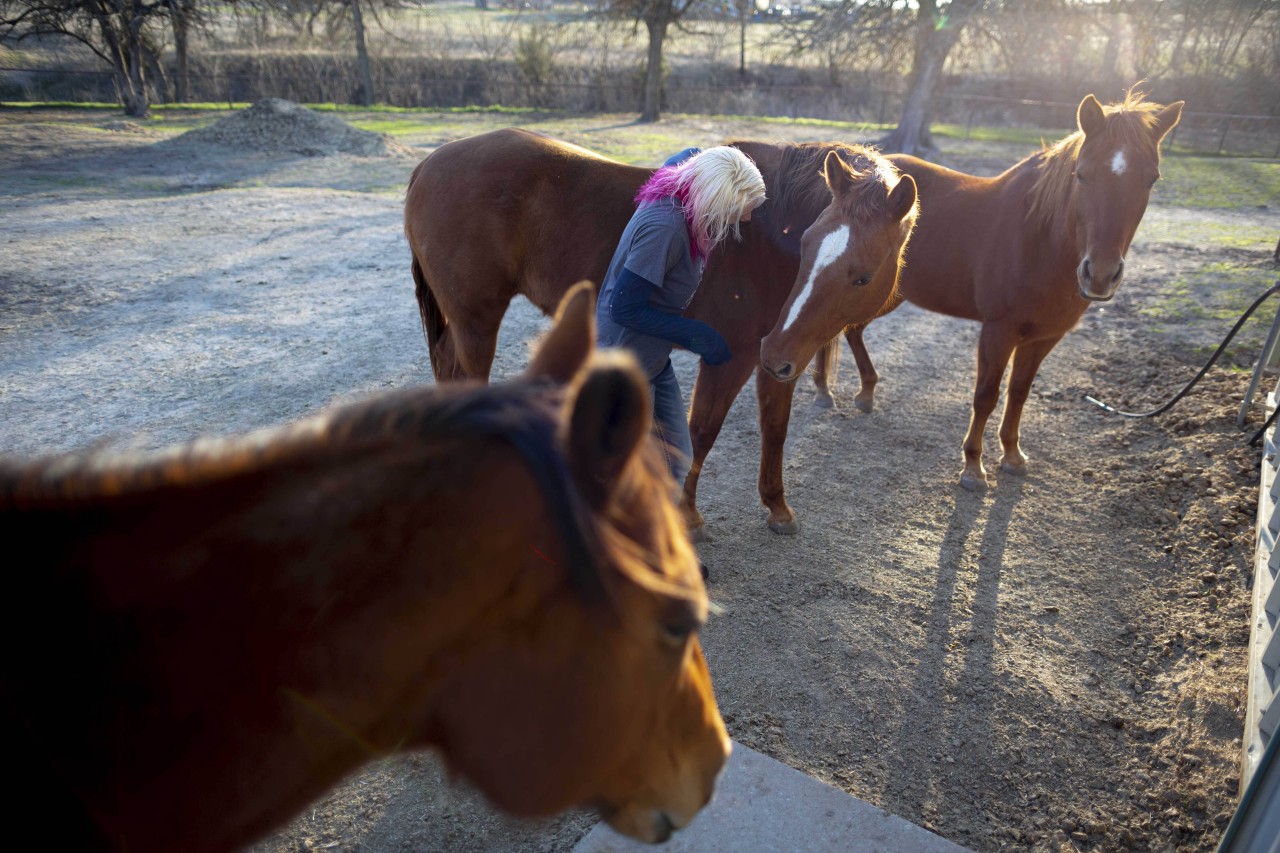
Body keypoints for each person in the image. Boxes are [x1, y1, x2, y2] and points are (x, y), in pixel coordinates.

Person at [596, 145, 767, 490]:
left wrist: (709, 157)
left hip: (652, 358)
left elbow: (683, 156)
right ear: (717, 197)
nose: (746, 219)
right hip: (626, 364)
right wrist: (695, 334)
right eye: (740, 209)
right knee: (628, 469)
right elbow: (624, 308)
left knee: (676, 458)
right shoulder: (666, 228)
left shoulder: (684, 187)